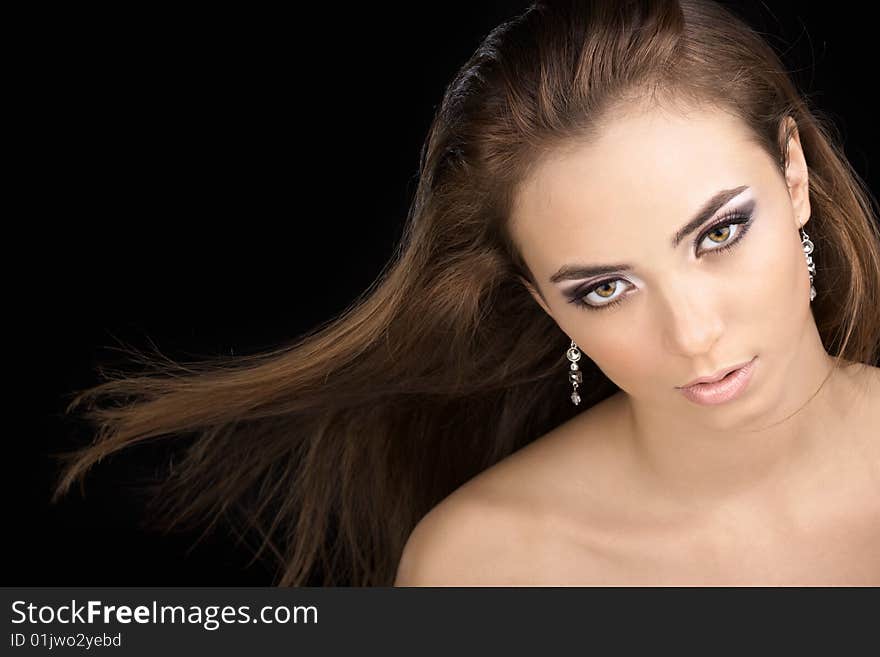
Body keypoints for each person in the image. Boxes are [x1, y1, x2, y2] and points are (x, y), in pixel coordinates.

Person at [52, 0, 880, 586]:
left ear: (795, 176)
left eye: (720, 234)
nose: (694, 331)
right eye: (605, 288)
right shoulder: (489, 568)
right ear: (541, 300)